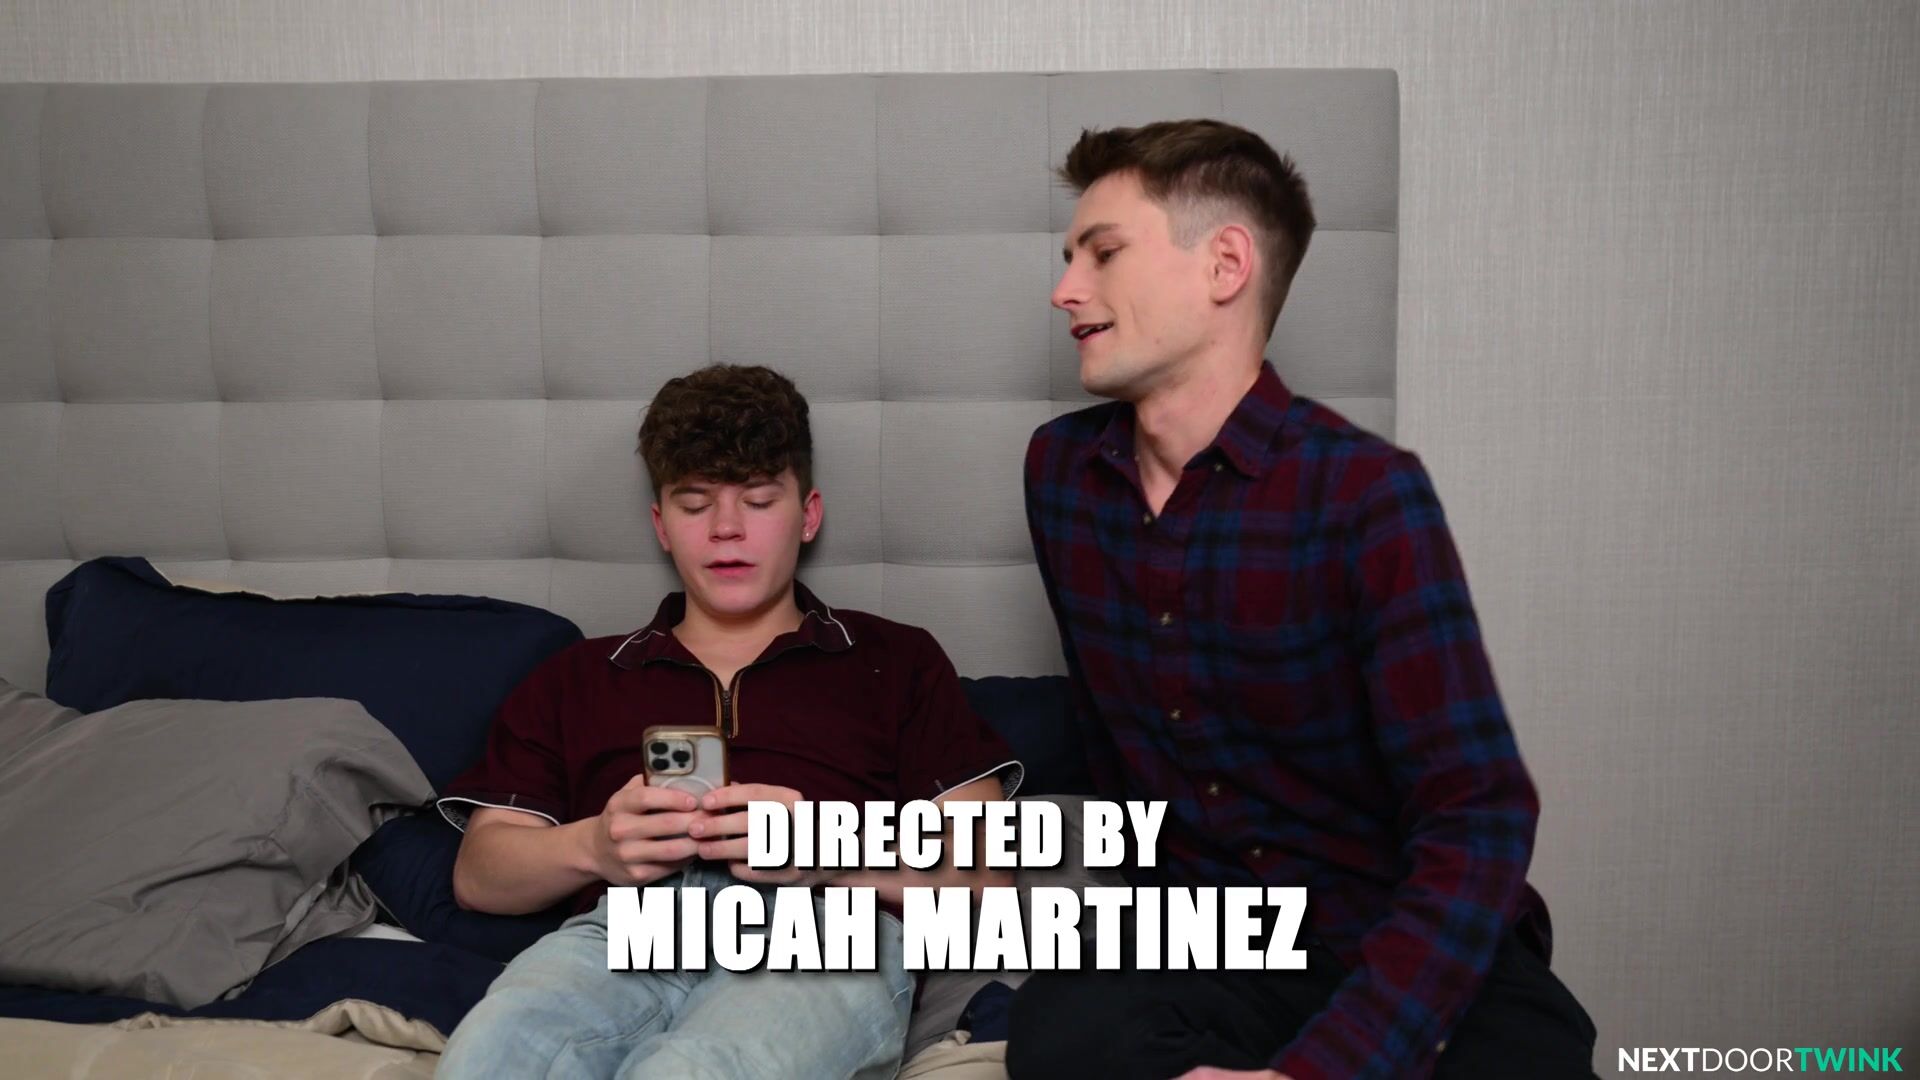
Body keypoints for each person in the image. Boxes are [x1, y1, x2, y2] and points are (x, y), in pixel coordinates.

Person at [1007, 120, 1597, 1079]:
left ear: (1225, 265)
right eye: (1070, 257)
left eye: (1102, 253)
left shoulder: (1364, 494)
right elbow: (1109, 738)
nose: (1065, 288)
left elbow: (1478, 815)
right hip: (1211, 938)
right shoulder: (1061, 476)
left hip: (1385, 926)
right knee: (1058, 1037)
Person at [434, 363, 1022, 1080]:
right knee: (490, 1056)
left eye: (759, 501)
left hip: (825, 931)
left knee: (690, 1073)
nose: (726, 530)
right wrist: (592, 847)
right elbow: (479, 874)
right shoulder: (579, 675)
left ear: (808, 514)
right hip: (628, 930)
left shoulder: (893, 658)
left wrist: (827, 852)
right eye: (694, 504)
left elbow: (983, 874)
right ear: (661, 525)